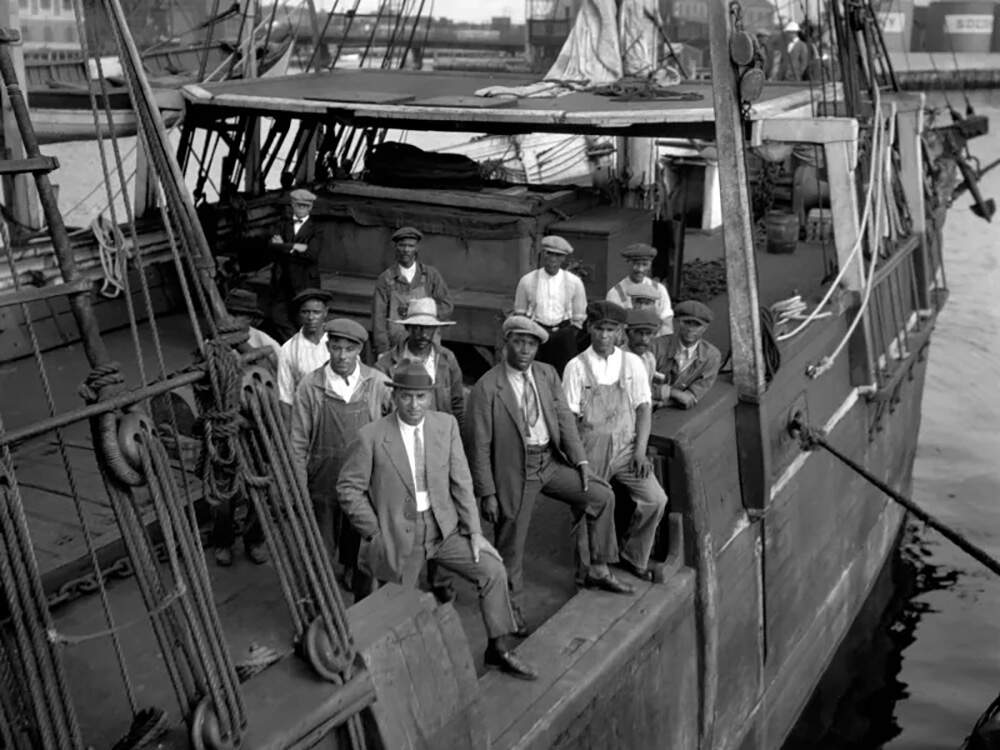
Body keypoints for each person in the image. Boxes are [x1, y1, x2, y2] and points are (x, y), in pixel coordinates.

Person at [337, 362, 538, 680]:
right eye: (407, 397)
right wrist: (374, 531)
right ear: (395, 396)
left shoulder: (445, 426)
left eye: (421, 397)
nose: (414, 405)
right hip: (398, 534)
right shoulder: (372, 437)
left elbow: (462, 481)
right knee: (399, 609)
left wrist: (474, 532)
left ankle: (498, 648)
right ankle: (398, 672)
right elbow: (348, 489)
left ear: (430, 397)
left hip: (444, 530)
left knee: (492, 570)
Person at [466, 315, 634, 632]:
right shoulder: (487, 387)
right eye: (518, 342)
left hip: (550, 461)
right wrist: (487, 492)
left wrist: (581, 462)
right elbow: (479, 446)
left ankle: (597, 567)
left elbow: (565, 421)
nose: (525, 349)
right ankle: (510, 613)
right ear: (507, 343)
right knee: (511, 546)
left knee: (601, 496)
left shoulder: (546, 374)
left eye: (531, 344)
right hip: (516, 470)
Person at [563, 301, 668, 581]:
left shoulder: (631, 363)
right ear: (589, 328)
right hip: (590, 449)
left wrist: (640, 452)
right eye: (599, 329)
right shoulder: (576, 367)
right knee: (587, 508)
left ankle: (633, 555)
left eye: (611, 330)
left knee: (656, 499)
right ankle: (588, 569)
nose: (604, 336)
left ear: (621, 332)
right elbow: (569, 419)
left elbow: (644, 408)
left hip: (626, 448)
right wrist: (578, 460)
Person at [290, 318, 393, 599]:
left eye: (349, 349)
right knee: (319, 552)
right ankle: (316, 607)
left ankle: (362, 603)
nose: (343, 356)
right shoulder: (310, 387)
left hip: (363, 486)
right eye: (336, 348)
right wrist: (298, 489)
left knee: (361, 548)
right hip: (323, 483)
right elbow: (298, 443)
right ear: (328, 347)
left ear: (359, 349)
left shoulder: (377, 383)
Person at [375, 297, 465, 429]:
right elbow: (378, 412)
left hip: (439, 434)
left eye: (429, 328)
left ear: (435, 329)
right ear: (407, 327)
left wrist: (457, 440)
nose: (423, 334)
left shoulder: (446, 359)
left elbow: (457, 405)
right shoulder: (386, 365)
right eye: (417, 328)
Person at [372, 227, 453, 356]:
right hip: (397, 346)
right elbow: (379, 317)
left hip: (427, 343)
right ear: (396, 247)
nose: (406, 250)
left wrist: (427, 316)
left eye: (411, 246)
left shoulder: (431, 275)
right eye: (402, 245)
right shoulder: (386, 279)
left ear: (417, 248)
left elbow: (447, 305)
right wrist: (382, 349)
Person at [512, 235, 587, 375]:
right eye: (549, 254)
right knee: (537, 373)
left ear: (563, 258)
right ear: (543, 255)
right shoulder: (527, 281)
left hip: (563, 333)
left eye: (558, 256)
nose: (553, 259)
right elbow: (520, 312)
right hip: (537, 331)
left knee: (566, 373)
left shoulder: (574, 282)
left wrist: (569, 333)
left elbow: (579, 315)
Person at [268, 188, 325, 341]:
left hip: (304, 281)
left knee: (304, 319)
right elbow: (272, 246)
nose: (301, 209)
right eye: (298, 205)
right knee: (277, 316)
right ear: (292, 205)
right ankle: (295, 343)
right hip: (282, 280)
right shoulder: (282, 224)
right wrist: (295, 247)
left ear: (310, 207)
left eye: (305, 206)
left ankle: (303, 347)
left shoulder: (317, 229)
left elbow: (311, 254)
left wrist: (284, 246)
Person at [653, 300, 722, 410]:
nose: (690, 329)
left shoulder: (712, 356)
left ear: (705, 328)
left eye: (697, 325)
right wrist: (673, 393)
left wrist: (662, 402)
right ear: (678, 322)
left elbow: (690, 398)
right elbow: (639, 386)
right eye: (686, 322)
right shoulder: (656, 346)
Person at [277, 288, 332, 418]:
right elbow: (285, 397)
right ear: (298, 315)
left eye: (316, 312)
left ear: (325, 313)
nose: (311, 317)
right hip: (305, 416)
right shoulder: (289, 348)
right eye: (305, 312)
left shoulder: (338, 342)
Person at [605, 243, 673, 336]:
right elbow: (613, 328)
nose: (640, 269)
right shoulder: (615, 293)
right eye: (636, 264)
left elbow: (667, 324)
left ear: (650, 265)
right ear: (628, 262)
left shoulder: (659, 290)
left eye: (645, 264)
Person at [224, 288, 281, 369]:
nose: (230, 319)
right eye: (228, 314)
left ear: (249, 318)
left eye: (236, 315)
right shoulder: (215, 340)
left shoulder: (264, 340)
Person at [623, 308, 668, 406]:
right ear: (628, 333)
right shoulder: (619, 359)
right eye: (639, 333)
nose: (644, 339)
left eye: (648, 334)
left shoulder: (649, 358)